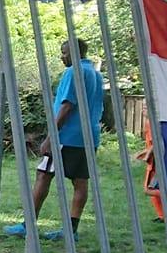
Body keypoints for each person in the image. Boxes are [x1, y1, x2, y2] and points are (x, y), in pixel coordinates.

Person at [7, 38, 106, 241]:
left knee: (43, 175)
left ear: (74, 53)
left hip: (67, 137)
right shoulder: (96, 74)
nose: (62, 57)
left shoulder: (74, 72)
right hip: (88, 136)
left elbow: (67, 106)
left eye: (64, 52)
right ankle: (71, 230)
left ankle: (27, 225)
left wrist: (51, 137)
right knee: (80, 182)